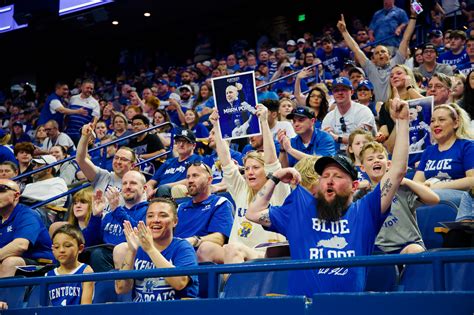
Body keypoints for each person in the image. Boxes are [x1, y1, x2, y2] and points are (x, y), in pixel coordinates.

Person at [246, 95, 409, 296]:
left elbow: (398, 171)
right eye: (325, 176)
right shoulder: (301, 210)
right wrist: (276, 177)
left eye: (338, 176)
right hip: (303, 309)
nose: (329, 181)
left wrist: (402, 122)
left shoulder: (365, 212)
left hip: (347, 309)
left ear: (354, 186)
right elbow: (253, 213)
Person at [210, 105, 289, 263]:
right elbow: (226, 162)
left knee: (232, 248)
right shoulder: (241, 188)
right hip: (237, 255)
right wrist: (216, 126)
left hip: (265, 255)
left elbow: (273, 162)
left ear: (266, 171)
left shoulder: (277, 187)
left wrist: (264, 123)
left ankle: (229, 288)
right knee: (206, 249)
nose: (250, 172)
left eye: (255, 168)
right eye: (246, 169)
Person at [358, 142, 439, 254]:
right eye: (370, 159)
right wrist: (357, 186)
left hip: (407, 244)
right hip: (378, 248)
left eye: (380, 157)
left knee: (415, 250)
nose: (376, 160)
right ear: (362, 168)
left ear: (389, 164)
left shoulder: (401, 188)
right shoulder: (361, 195)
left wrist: (407, 181)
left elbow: (434, 199)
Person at [115, 198, 199, 301]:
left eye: (163, 215)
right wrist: (131, 251)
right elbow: (121, 289)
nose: (155, 220)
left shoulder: (182, 248)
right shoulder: (138, 249)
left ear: (175, 221)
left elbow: (180, 283)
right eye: (150, 216)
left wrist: (150, 249)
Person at [337, 10, 417, 102]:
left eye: (383, 51)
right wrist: (344, 32)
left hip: (398, 105)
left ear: (389, 55)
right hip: (380, 110)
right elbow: (356, 49)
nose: (380, 54)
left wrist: (413, 17)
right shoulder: (370, 68)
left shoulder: (396, 63)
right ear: (373, 58)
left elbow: (406, 38)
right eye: (377, 53)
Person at [413, 103, 474, 217]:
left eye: (441, 120)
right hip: (430, 192)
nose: (436, 124)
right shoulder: (428, 151)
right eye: (432, 121)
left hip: (461, 196)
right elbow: (417, 182)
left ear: (456, 123)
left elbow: (472, 180)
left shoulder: (467, 146)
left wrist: (435, 187)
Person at [82, 170, 149, 272]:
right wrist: (96, 216)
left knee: (98, 254)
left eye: (133, 183)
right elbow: (90, 243)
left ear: (144, 188)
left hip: (133, 258)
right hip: (103, 259)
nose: (128, 186)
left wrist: (117, 210)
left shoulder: (149, 211)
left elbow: (138, 234)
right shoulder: (110, 215)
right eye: (124, 183)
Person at [174, 162, 234, 263]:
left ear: (209, 180)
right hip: (176, 257)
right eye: (188, 177)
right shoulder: (180, 208)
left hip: (200, 258)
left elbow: (219, 238)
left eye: (195, 176)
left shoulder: (220, 203)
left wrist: (194, 240)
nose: (190, 180)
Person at [0, 179, 54, 277]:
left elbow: (20, 245)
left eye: (1, 190)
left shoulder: (27, 215)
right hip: (6, 260)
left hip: (40, 264)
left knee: (10, 262)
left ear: (16, 196)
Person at [76, 121, 137, 196]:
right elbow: (81, 160)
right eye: (116, 158)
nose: (118, 161)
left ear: (132, 165)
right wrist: (85, 136)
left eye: (123, 159)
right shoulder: (103, 176)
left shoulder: (135, 186)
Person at [321, 77, 377, 153]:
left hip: (365, 153)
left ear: (352, 92)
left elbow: (360, 139)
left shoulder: (363, 111)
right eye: (336, 90)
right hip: (338, 155)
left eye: (344, 89)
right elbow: (325, 140)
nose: (340, 93)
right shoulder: (329, 117)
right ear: (333, 94)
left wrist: (337, 138)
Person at [146, 129, 202, 198]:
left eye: (185, 141)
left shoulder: (197, 159)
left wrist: (165, 187)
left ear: (193, 145)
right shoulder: (168, 162)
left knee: (164, 189)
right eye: (179, 141)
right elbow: (151, 182)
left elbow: (192, 180)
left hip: (177, 194)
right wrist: (149, 190)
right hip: (157, 194)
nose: (181, 144)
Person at [47, 224, 94, 306]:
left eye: (67, 246)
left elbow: (86, 309)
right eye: (57, 247)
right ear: (53, 250)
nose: (61, 250)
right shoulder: (48, 275)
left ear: (80, 248)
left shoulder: (86, 271)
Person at [66, 79, 101, 144]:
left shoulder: (95, 103)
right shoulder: (73, 98)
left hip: (81, 134)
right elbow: (67, 114)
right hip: (68, 132)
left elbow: (94, 121)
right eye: (87, 88)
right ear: (81, 87)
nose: (90, 90)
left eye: (91, 89)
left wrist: (89, 134)